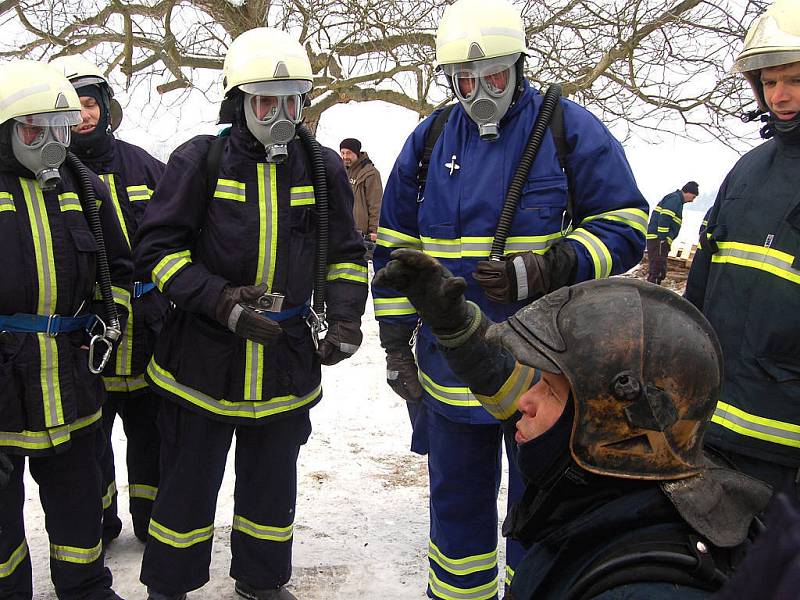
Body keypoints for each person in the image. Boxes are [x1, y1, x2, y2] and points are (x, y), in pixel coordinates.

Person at [370, 0, 649, 596]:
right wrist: (396, 343)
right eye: (463, 79)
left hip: (545, 375)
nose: (478, 91)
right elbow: (395, 249)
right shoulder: (429, 140)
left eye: (492, 75)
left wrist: (546, 269)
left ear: (519, 66)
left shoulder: (567, 129)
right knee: (456, 512)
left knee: (543, 515)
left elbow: (626, 223)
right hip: (452, 375)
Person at [374, 249, 771, 600]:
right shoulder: (614, 491)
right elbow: (522, 385)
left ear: (612, 423)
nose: (523, 401)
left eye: (547, 388)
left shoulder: (644, 585)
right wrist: (455, 325)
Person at [133, 27, 368, 600]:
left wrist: (344, 319)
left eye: (293, 100)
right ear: (239, 100)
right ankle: (170, 583)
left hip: (285, 358)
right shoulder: (200, 160)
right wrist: (218, 301)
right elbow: (157, 252)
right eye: (268, 100)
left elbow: (343, 254)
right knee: (188, 484)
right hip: (204, 359)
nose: (282, 113)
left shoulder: (323, 168)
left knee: (271, 482)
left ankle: (262, 581)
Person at [0, 59, 132, 600]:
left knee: (80, 507)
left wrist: (112, 319)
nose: (53, 142)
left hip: (72, 378)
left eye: (61, 127)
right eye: (37, 129)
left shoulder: (84, 186)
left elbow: (119, 270)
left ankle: (86, 588)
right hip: (4, 385)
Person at [51, 53, 169, 546]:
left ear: (106, 107)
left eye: (92, 103)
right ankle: (100, 522)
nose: (85, 114)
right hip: (88, 334)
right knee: (89, 439)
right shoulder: (52, 173)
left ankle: (150, 518)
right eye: (74, 106)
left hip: (147, 328)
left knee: (150, 435)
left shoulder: (144, 165)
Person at [685, 0, 800, 499]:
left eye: (795, 79)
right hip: (719, 429)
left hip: (788, 447)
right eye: (769, 81)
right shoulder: (748, 169)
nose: (781, 95)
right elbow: (702, 288)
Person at [645, 181, 699, 284]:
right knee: (657, 269)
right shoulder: (675, 199)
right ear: (689, 192)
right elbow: (665, 217)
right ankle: (651, 292)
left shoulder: (677, 200)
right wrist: (663, 238)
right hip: (659, 239)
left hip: (660, 240)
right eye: (693, 197)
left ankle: (653, 290)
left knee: (659, 269)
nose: (692, 200)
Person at [339, 137, 383, 260]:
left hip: (361, 235)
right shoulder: (341, 171)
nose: (345, 156)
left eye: (348, 153)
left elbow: (376, 204)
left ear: (357, 153)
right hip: (343, 231)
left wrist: (374, 231)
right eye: (342, 153)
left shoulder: (370, 173)